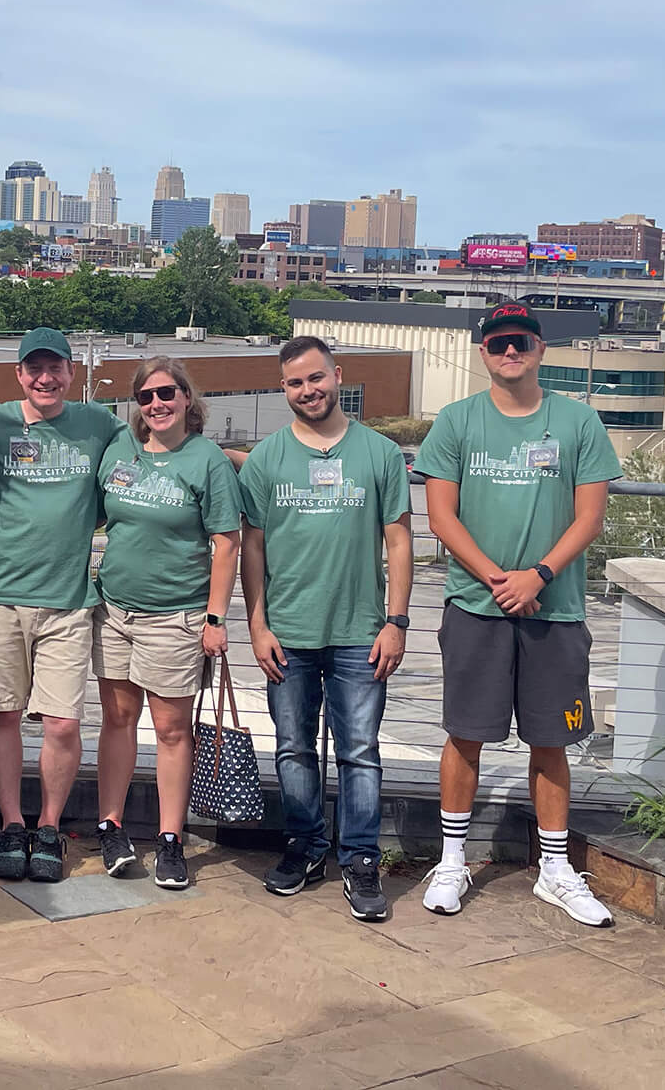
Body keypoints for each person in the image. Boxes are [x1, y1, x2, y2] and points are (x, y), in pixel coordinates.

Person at [414, 301, 622, 928]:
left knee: (551, 739)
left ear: (540, 348)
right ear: (484, 352)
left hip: (554, 610)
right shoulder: (456, 421)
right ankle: (452, 860)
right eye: (500, 342)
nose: (511, 351)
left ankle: (555, 870)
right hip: (477, 606)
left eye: (522, 341)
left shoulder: (578, 422)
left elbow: (590, 516)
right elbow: (441, 517)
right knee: (466, 734)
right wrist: (498, 579)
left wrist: (539, 575)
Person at [237, 337, 412, 919]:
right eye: (294, 383)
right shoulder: (266, 459)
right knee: (293, 748)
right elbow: (252, 548)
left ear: (338, 375)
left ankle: (360, 858)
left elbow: (399, 540)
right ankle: (307, 846)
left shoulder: (380, 454)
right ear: (283, 388)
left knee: (360, 752)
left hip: (361, 631)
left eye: (316, 378)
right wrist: (256, 625)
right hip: (287, 632)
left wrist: (396, 621)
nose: (307, 390)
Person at [0, 327, 126, 882]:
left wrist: (233, 458)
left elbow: (162, 448)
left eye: (55, 367)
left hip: (68, 599)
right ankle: (13, 823)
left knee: (62, 723)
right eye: (34, 368)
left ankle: (49, 826)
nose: (46, 378)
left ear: (70, 371)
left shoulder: (99, 424)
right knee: (4, 714)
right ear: (19, 375)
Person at [90, 356, 241, 891]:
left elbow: (227, 543)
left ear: (186, 399)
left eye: (167, 394)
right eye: (147, 396)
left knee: (173, 731)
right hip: (115, 611)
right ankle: (110, 825)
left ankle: (171, 838)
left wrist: (215, 618)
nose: (157, 404)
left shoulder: (207, 461)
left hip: (175, 616)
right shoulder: (119, 452)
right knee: (116, 720)